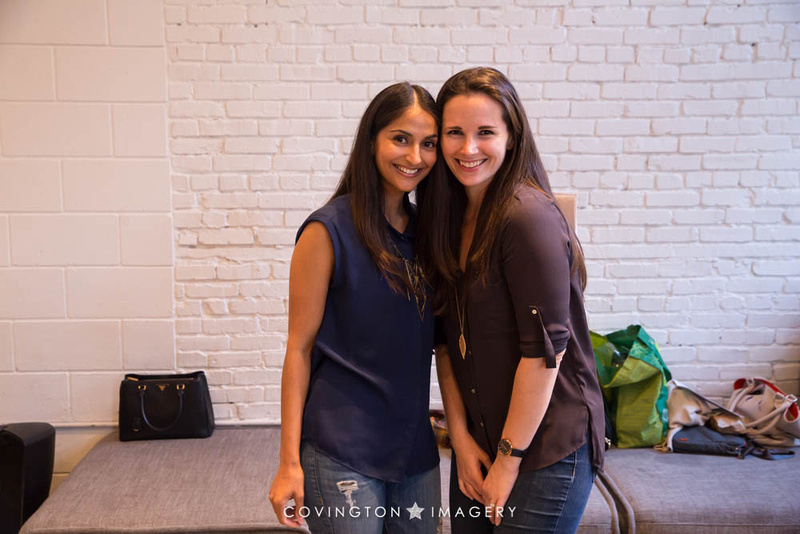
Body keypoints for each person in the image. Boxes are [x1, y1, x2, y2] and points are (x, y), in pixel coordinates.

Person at [418, 67, 605, 533]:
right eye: (454, 133)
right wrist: (459, 439)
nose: (468, 148)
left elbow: (544, 356)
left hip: (544, 447)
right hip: (480, 439)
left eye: (485, 132)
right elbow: (444, 343)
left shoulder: (526, 217)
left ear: (512, 136)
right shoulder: (447, 217)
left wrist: (508, 460)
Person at [269, 82, 442, 534]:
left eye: (428, 144)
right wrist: (289, 463)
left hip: (415, 451)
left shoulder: (429, 235)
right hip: (341, 447)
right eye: (400, 139)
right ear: (372, 141)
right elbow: (298, 349)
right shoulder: (327, 231)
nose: (415, 157)